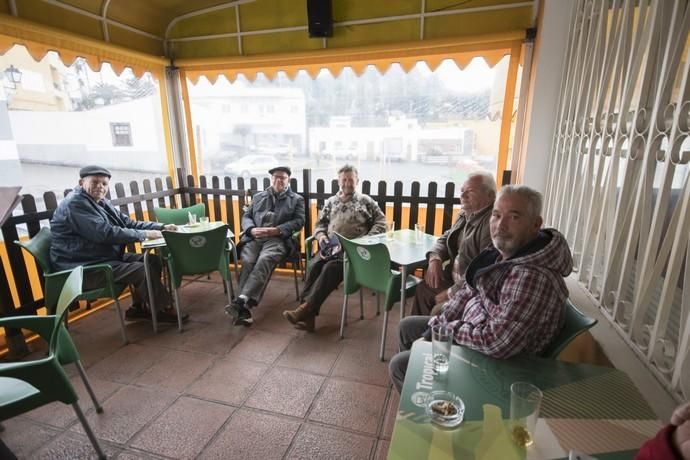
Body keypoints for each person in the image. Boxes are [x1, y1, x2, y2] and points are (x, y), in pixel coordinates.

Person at [389, 185, 573, 393]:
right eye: (496, 215)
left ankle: (431, 409)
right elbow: (469, 290)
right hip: (474, 330)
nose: (500, 226)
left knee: (400, 366)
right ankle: (426, 387)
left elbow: (499, 343)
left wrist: (447, 330)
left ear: (535, 225)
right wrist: (437, 327)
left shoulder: (531, 276)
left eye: (514, 217)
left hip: (500, 366)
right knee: (408, 327)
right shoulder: (502, 252)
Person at [50, 165, 183, 323]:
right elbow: (104, 233)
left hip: (99, 256)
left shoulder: (99, 202)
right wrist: (145, 235)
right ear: (81, 183)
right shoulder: (74, 204)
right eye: (95, 182)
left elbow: (127, 223)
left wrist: (160, 227)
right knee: (142, 269)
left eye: (104, 184)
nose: (100, 187)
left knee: (152, 260)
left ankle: (139, 308)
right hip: (82, 268)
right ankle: (163, 309)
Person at [282, 164, 386, 331]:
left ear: (357, 181)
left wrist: (367, 239)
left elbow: (382, 222)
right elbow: (319, 225)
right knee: (314, 265)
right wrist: (321, 236)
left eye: (350, 179)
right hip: (330, 248)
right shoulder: (331, 202)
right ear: (338, 181)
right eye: (344, 179)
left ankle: (304, 311)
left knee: (330, 268)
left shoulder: (366, 201)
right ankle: (307, 316)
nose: (347, 183)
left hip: (354, 252)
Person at [227, 166, 305, 326]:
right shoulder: (258, 197)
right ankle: (244, 308)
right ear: (271, 179)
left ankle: (241, 301)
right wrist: (251, 229)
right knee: (248, 261)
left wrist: (277, 230)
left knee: (265, 260)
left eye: (282, 177)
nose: (279, 180)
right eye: (276, 177)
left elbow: (299, 221)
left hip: (277, 239)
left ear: (288, 180)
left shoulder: (296, 199)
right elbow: (246, 216)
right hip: (255, 238)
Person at [411, 172, 495, 316]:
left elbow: (481, 270)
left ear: (490, 196)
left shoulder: (492, 223)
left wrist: (450, 293)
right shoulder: (465, 213)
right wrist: (435, 258)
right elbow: (445, 237)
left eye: (470, 191)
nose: (463, 196)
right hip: (452, 278)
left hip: (470, 290)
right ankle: (419, 334)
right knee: (423, 289)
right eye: (462, 191)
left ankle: (432, 334)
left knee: (438, 309)